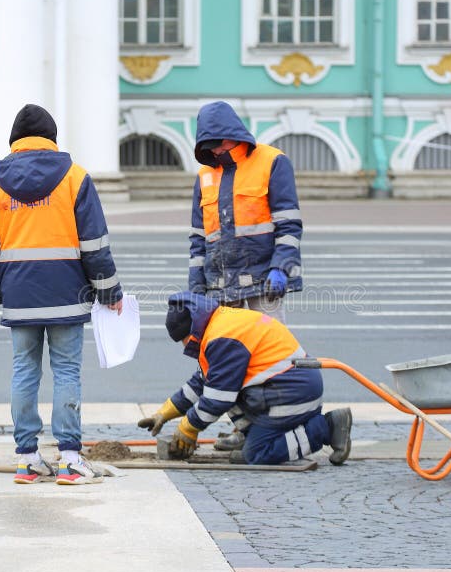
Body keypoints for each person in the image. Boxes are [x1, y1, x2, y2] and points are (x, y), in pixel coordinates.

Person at [0, 103, 123, 485]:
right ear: (52, 140)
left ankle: (27, 459)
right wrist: (109, 292)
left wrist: (0, 293)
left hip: (20, 297)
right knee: (67, 371)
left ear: (14, 142)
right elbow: (95, 245)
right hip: (68, 294)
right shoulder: (74, 178)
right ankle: (70, 459)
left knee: (24, 371)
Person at [189, 101, 304, 452]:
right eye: (210, 146)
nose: (217, 151)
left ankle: (293, 425)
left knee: (272, 363)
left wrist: (281, 267)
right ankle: (245, 429)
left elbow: (288, 224)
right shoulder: (205, 176)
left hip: (264, 284)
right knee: (225, 363)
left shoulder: (271, 162)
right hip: (221, 288)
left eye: (221, 143)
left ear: (234, 135)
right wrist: (196, 286)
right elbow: (199, 239)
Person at [137, 292, 352, 466]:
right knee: (227, 391)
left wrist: (187, 429)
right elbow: (202, 382)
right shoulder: (219, 324)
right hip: (286, 387)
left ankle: (326, 428)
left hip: (294, 394)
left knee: (257, 454)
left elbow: (217, 398)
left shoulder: (223, 338)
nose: (185, 348)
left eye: (183, 342)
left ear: (191, 335)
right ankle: (258, 435)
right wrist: (164, 413)